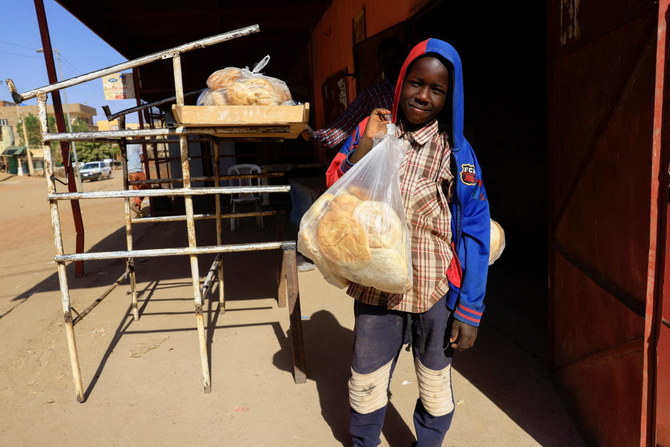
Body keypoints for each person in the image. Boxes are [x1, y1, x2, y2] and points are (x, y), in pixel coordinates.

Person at [325, 39, 491, 447]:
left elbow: (475, 228)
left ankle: (429, 442)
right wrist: (365, 145)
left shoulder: (457, 152)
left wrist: (469, 309)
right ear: (401, 82)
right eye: (417, 83)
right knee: (366, 379)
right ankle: (364, 441)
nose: (423, 96)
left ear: (451, 97)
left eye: (437, 89)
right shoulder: (376, 132)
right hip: (375, 284)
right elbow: (336, 191)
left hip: (435, 289)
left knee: (435, 381)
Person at [302, 38, 407, 150]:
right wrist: (315, 135)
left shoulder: (420, 85)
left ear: (406, 58)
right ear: (381, 65)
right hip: (393, 158)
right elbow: (345, 123)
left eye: (396, 59)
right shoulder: (373, 94)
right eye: (386, 61)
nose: (392, 65)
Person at [126, 142, 147, 211]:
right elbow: (142, 156)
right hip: (138, 169)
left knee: (136, 192)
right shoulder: (138, 144)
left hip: (130, 171)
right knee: (145, 187)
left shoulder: (126, 145)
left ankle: (138, 209)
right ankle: (135, 203)